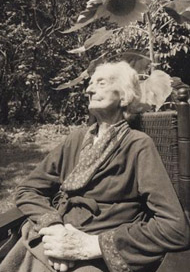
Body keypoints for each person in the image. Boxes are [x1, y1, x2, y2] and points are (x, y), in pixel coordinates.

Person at [0, 61, 189, 272]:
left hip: (96, 255)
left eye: (101, 83)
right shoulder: (76, 139)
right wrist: (54, 226)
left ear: (124, 96)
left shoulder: (138, 144)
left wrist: (94, 245)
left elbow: (174, 227)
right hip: (53, 241)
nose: (89, 90)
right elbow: (28, 189)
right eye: (90, 84)